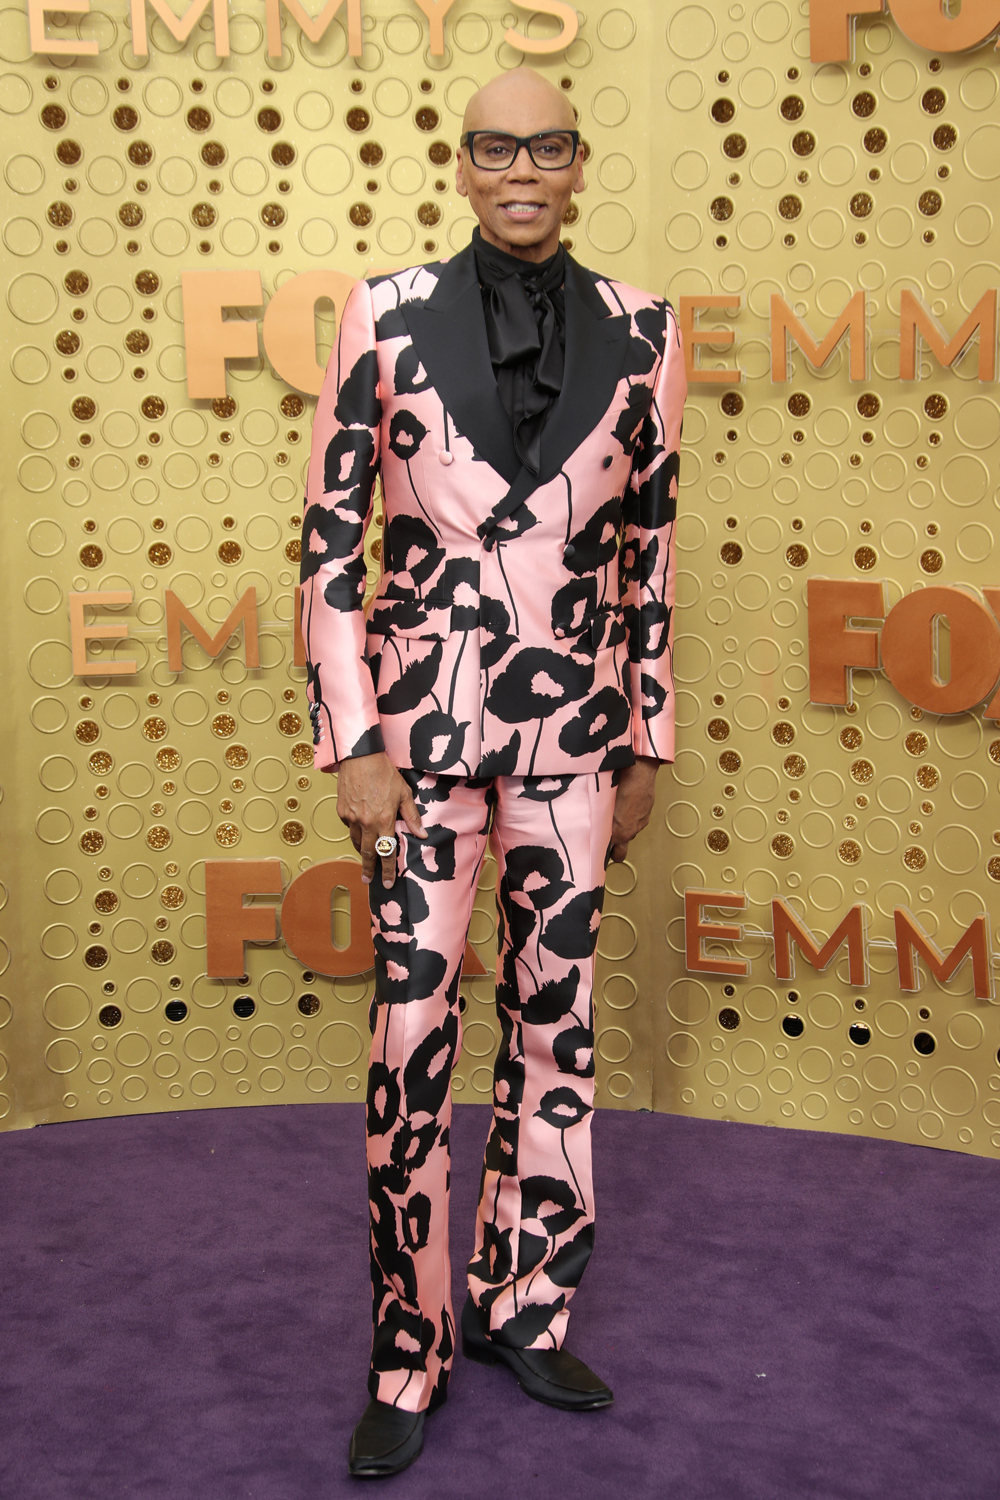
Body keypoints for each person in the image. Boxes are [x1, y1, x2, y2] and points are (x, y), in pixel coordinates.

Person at [300, 66, 686, 1479]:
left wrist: (645, 736)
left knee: (557, 1025)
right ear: (462, 165)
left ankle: (530, 1298)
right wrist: (351, 741)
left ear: (579, 162)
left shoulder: (648, 330)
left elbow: (647, 564)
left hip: (578, 739)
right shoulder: (384, 313)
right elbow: (332, 541)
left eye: (547, 146)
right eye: (493, 147)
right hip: (418, 739)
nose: (520, 167)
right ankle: (412, 1349)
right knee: (412, 1039)